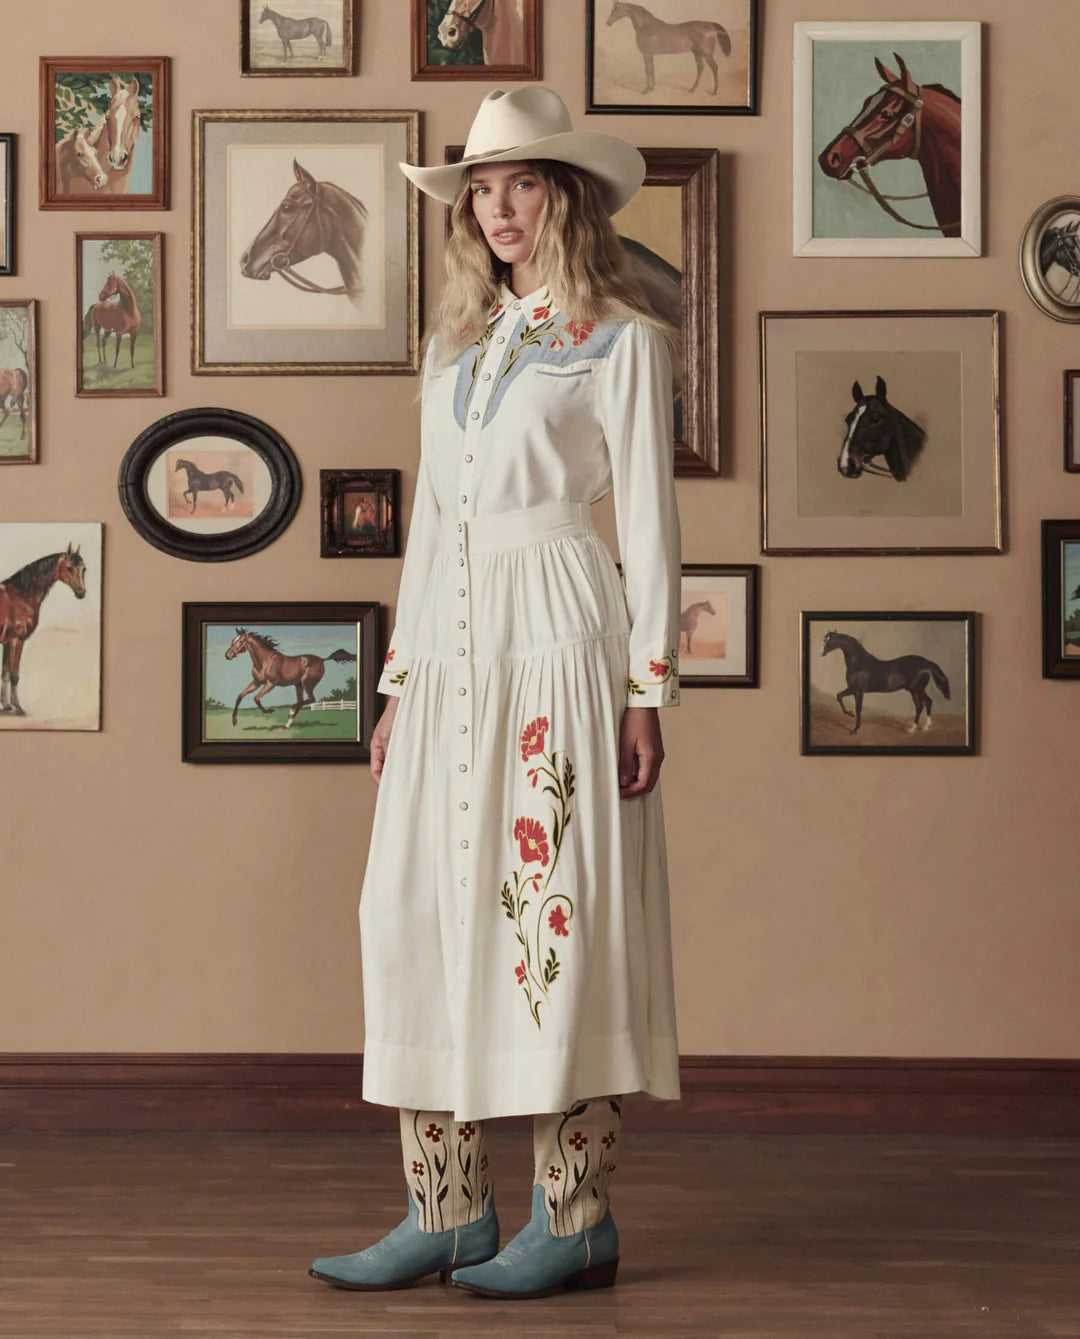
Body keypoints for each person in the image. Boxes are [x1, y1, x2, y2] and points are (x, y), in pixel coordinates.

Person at [309, 85, 683, 1301]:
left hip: (558, 633)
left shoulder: (620, 338)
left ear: (564, 194)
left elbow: (653, 523)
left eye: (522, 182)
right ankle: (445, 1206)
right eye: (480, 185)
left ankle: (572, 1215)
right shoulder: (458, 347)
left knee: (549, 903)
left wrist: (648, 691)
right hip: (451, 646)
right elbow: (429, 526)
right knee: (414, 906)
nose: (498, 205)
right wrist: (398, 682)